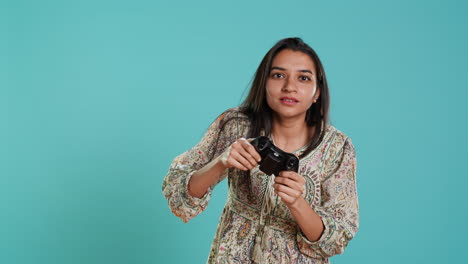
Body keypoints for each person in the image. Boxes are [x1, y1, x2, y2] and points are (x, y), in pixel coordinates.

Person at [162, 37, 359, 264]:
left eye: (303, 78)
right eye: (278, 75)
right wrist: (220, 162)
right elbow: (178, 194)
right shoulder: (236, 125)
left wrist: (297, 202)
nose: (289, 87)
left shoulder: (337, 148)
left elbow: (335, 240)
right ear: (263, 82)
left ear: (317, 92)